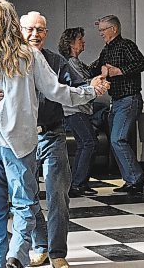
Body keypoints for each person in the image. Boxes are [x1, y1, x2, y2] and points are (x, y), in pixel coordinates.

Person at [0, 0, 108, 268]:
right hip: (18, 141)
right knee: (25, 203)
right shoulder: (28, 55)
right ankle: (17, 255)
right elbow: (57, 91)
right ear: (14, 23)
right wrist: (91, 91)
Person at [20, 12, 108, 268]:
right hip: (22, 139)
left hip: (52, 134)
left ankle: (57, 252)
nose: (35, 34)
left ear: (46, 33)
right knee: (27, 196)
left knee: (58, 195)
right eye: (30, 29)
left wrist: (94, 85)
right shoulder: (12, 61)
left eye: (40, 30)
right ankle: (40, 245)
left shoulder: (55, 61)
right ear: (20, 31)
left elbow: (78, 86)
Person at [91, 15, 144, 194]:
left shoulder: (126, 45)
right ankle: (131, 179)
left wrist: (118, 71)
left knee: (118, 139)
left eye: (103, 30)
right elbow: (95, 67)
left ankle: (136, 179)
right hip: (116, 101)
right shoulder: (107, 49)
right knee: (116, 140)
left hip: (128, 99)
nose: (100, 33)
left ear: (114, 29)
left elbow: (142, 63)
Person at [58, 27, 105, 197]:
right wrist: (96, 83)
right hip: (74, 110)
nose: (83, 42)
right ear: (71, 43)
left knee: (86, 143)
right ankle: (78, 183)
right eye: (79, 39)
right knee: (89, 143)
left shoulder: (77, 63)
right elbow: (82, 84)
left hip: (80, 109)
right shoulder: (70, 63)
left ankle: (79, 183)